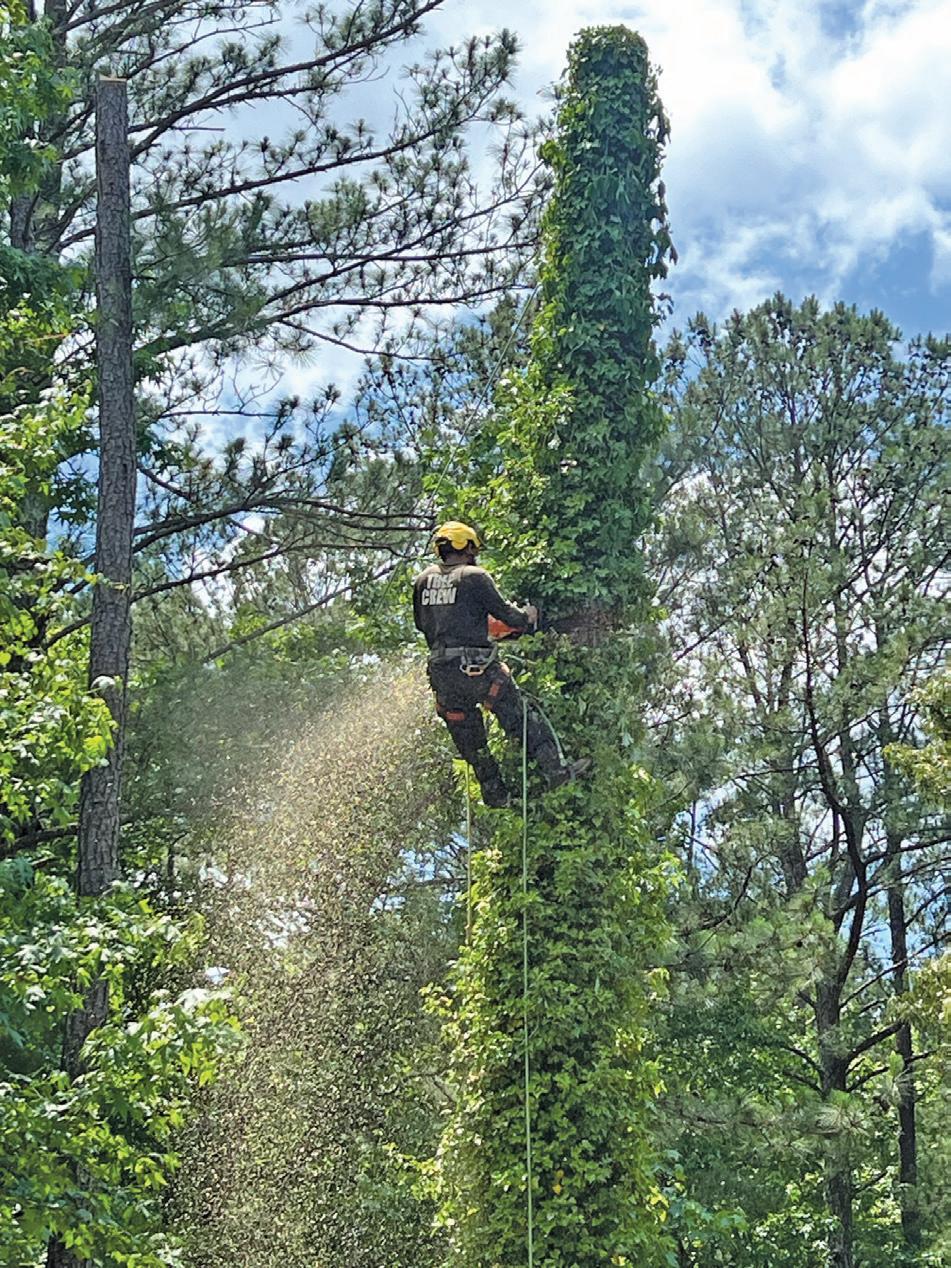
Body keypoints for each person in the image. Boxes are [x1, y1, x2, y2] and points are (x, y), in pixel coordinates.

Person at [413, 520, 587, 808]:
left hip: (442, 673)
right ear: (465, 546)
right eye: (473, 550)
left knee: (471, 739)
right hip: (477, 669)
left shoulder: (422, 580)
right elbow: (508, 615)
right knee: (519, 718)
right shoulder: (474, 576)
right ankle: (555, 770)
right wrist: (528, 616)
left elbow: (423, 624)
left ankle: (495, 793)